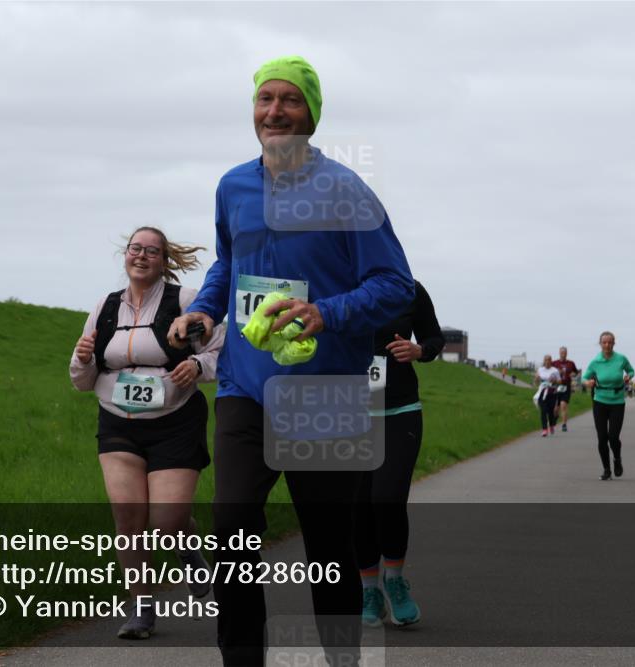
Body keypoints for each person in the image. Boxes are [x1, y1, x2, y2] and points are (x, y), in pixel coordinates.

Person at [169, 56, 414, 666]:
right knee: (232, 535)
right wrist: (205, 311)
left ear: (312, 113)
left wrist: (326, 312)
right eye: (264, 99)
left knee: (329, 552)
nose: (274, 111)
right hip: (245, 389)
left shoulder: (347, 191)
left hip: (325, 395)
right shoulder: (233, 186)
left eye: (290, 100)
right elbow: (228, 261)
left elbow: (394, 284)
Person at [69, 227, 225, 639]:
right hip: (117, 423)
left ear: (164, 259)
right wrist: (83, 360)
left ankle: (190, 553)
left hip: (175, 422)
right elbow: (82, 379)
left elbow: (220, 348)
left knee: (167, 521)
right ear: (126, 254)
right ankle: (141, 609)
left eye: (151, 251)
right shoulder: (105, 306)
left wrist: (198, 366)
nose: (141, 256)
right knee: (128, 517)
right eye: (136, 248)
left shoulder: (186, 302)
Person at [356, 280, 443, 627]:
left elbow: (434, 338)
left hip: (399, 410)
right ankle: (369, 591)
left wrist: (419, 350)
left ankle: (395, 580)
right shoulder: (334, 282)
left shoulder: (409, 289)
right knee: (358, 507)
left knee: (387, 498)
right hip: (348, 411)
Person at [582, 331, 634, 480]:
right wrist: (588, 382)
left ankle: (617, 459)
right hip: (599, 401)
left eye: (610, 342)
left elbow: (631, 370)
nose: (607, 345)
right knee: (602, 437)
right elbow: (584, 378)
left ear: (614, 343)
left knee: (613, 437)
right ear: (600, 344)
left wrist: (628, 376)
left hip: (617, 401)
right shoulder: (595, 362)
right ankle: (606, 469)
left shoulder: (621, 359)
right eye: (604, 342)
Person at [551, 346, 580, 432]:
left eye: (564, 353)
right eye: (561, 353)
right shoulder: (554, 363)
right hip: (556, 387)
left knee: (563, 405)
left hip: (566, 386)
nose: (563, 354)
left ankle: (564, 424)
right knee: (555, 408)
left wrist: (574, 375)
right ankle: (555, 417)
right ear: (559, 353)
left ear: (566, 353)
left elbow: (576, 372)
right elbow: (549, 372)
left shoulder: (571, 363)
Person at [534, 355, 561, 436]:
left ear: (551, 361)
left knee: (551, 412)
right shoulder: (540, 370)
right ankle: (545, 429)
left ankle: (552, 425)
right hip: (542, 392)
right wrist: (537, 379)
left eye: (549, 360)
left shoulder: (555, 370)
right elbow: (536, 382)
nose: (547, 362)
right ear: (544, 361)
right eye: (546, 360)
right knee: (543, 411)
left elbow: (559, 381)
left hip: (552, 392)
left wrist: (555, 380)